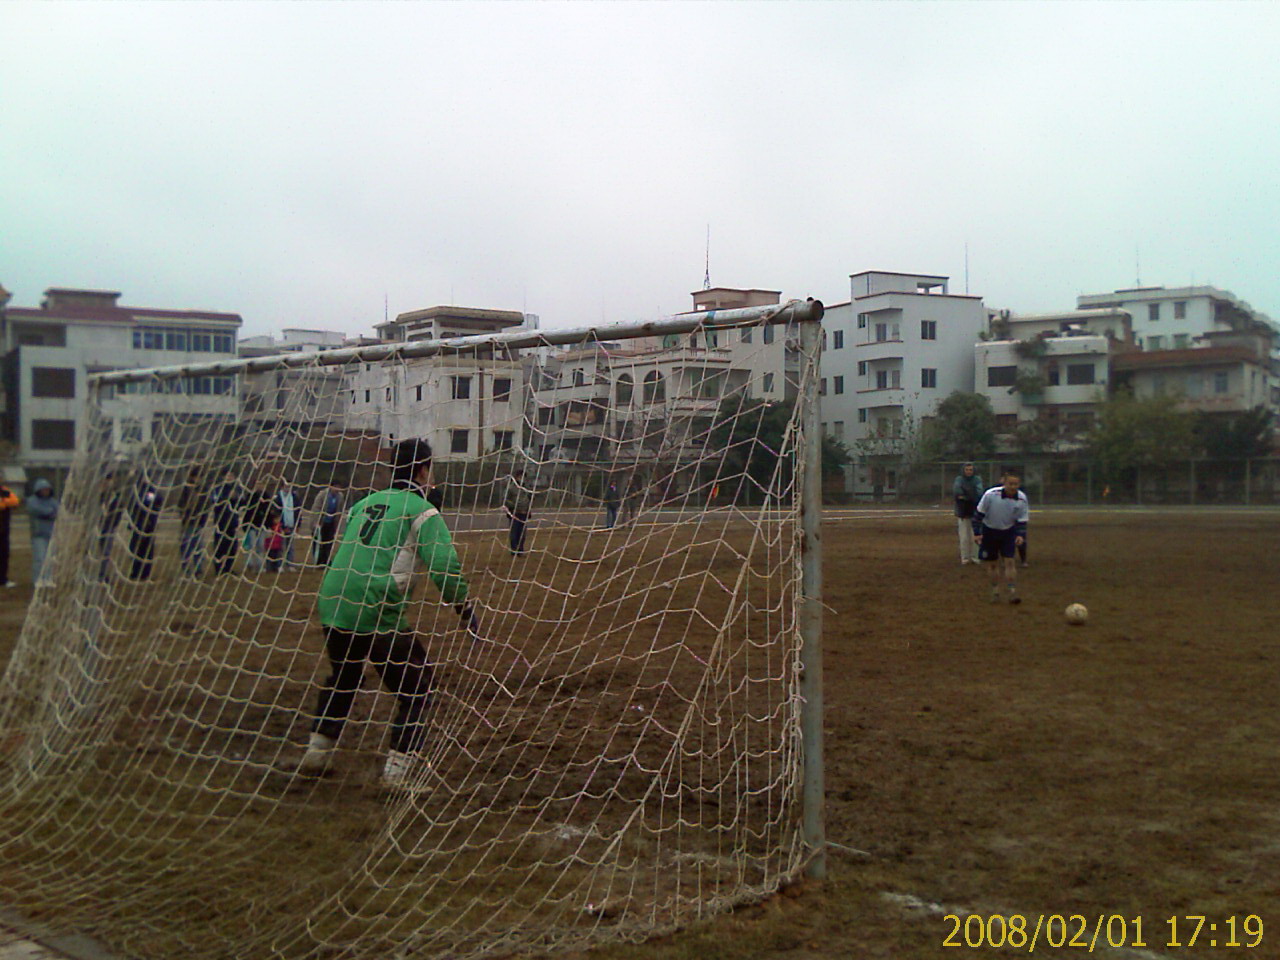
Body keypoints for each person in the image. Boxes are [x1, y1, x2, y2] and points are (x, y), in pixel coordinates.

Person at [298, 438, 479, 790]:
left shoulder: (363, 503)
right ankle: (396, 773)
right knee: (418, 689)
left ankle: (316, 753)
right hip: (375, 604)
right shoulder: (422, 511)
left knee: (345, 676)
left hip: (334, 599)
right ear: (424, 470)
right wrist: (464, 609)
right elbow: (444, 566)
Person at [972, 469, 1030, 604]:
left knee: (1010, 562)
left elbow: (1022, 519)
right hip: (989, 531)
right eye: (1010, 484)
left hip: (1008, 532)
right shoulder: (990, 495)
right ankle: (995, 591)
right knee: (992, 564)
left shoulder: (1022, 498)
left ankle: (1012, 592)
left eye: (1016, 484)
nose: (1013, 487)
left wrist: (1020, 535)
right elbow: (978, 515)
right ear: (1004, 483)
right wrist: (977, 533)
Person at [209, 469, 248, 575]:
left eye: (231, 475)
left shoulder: (238, 489)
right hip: (220, 523)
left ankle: (228, 568)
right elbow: (215, 503)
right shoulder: (218, 489)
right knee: (220, 547)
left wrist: (235, 498)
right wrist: (227, 498)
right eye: (227, 475)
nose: (229, 477)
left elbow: (243, 503)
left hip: (233, 522)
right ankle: (218, 569)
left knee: (232, 547)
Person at [128, 474, 164, 581]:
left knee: (145, 550)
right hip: (140, 525)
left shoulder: (150, 490)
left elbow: (157, 500)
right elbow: (133, 506)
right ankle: (136, 572)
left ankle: (143, 573)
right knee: (136, 549)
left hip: (147, 525)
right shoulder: (136, 490)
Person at [177, 466, 209, 577]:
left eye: (200, 477)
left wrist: (203, 519)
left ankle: (198, 569)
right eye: (196, 477)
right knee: (187, 546)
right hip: (188, 522)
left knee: (198, 546)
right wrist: (186, 514)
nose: (198, 479)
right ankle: (186, 569)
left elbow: (206, 505)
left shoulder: (203, 489)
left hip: (198, 522)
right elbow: (181, 505)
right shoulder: (187, 489)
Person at [308, 479, 347, 568]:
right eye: (335, 487)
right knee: (318, 542)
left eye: (339, 487)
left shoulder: (340, 497)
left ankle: (326, 560)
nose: (337, 489)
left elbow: (339, 510)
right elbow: (316, 508)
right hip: (321, 523)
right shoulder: (322, 495)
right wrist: (316, 523)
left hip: (331, 523)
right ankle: (318, 561)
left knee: (328, 542)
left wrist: (337, 523)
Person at [27, 479, 58, 584]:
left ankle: (48, 578)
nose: (46, 491)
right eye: (43, 489)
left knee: (50, 558)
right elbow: (36, 510)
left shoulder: (53, 501)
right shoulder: (32, 501)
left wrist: (49, 513)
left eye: (47, 489)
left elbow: (58, 511)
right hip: (38, 535)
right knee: (40, 558)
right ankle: (38, 579)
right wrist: (49, 512)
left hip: (51, 534)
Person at [952, 463, 983, 565]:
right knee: (964, 537)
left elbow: (979, 493)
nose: (969, 472)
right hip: (963, 511)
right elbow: (957, 492)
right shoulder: (959, 480)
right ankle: (965, 558)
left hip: (975, 511)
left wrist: (967, 496)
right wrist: (969, 496)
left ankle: (975, 557)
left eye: (970, 470)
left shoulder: (977, 480)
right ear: (963, 470)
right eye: (967, 469)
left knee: (975, 535)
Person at [503, 469, 532, 556]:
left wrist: (529, 510)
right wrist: (512, 506)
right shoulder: (511, 488)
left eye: (524, 477)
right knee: (514, 532)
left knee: (522, 533)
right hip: (514, 513)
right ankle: (514, 549)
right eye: (520, 476)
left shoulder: (526, 488)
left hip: (524, 513)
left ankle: (520, 549)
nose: (522, 478)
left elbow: (529, 499)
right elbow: (506, 500)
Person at [274, 481, 300, 570]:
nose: (288, 488)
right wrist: (282, 526)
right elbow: (276, 513)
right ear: (282, 487)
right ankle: (279, 565)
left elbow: (298, 511)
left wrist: (298, 524)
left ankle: (290, 564)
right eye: (286, 486)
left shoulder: (294, 497)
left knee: (290, 546)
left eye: (289, 486)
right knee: (280, 546)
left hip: (292, 525)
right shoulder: (277, 498)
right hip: (281, 526)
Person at [0, 481, 19, 587]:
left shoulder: (5, 491)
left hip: (3, 531)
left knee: (4, 555)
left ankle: (3, 579)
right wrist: (3, 503)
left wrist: (4, 502)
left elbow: (15, 502)